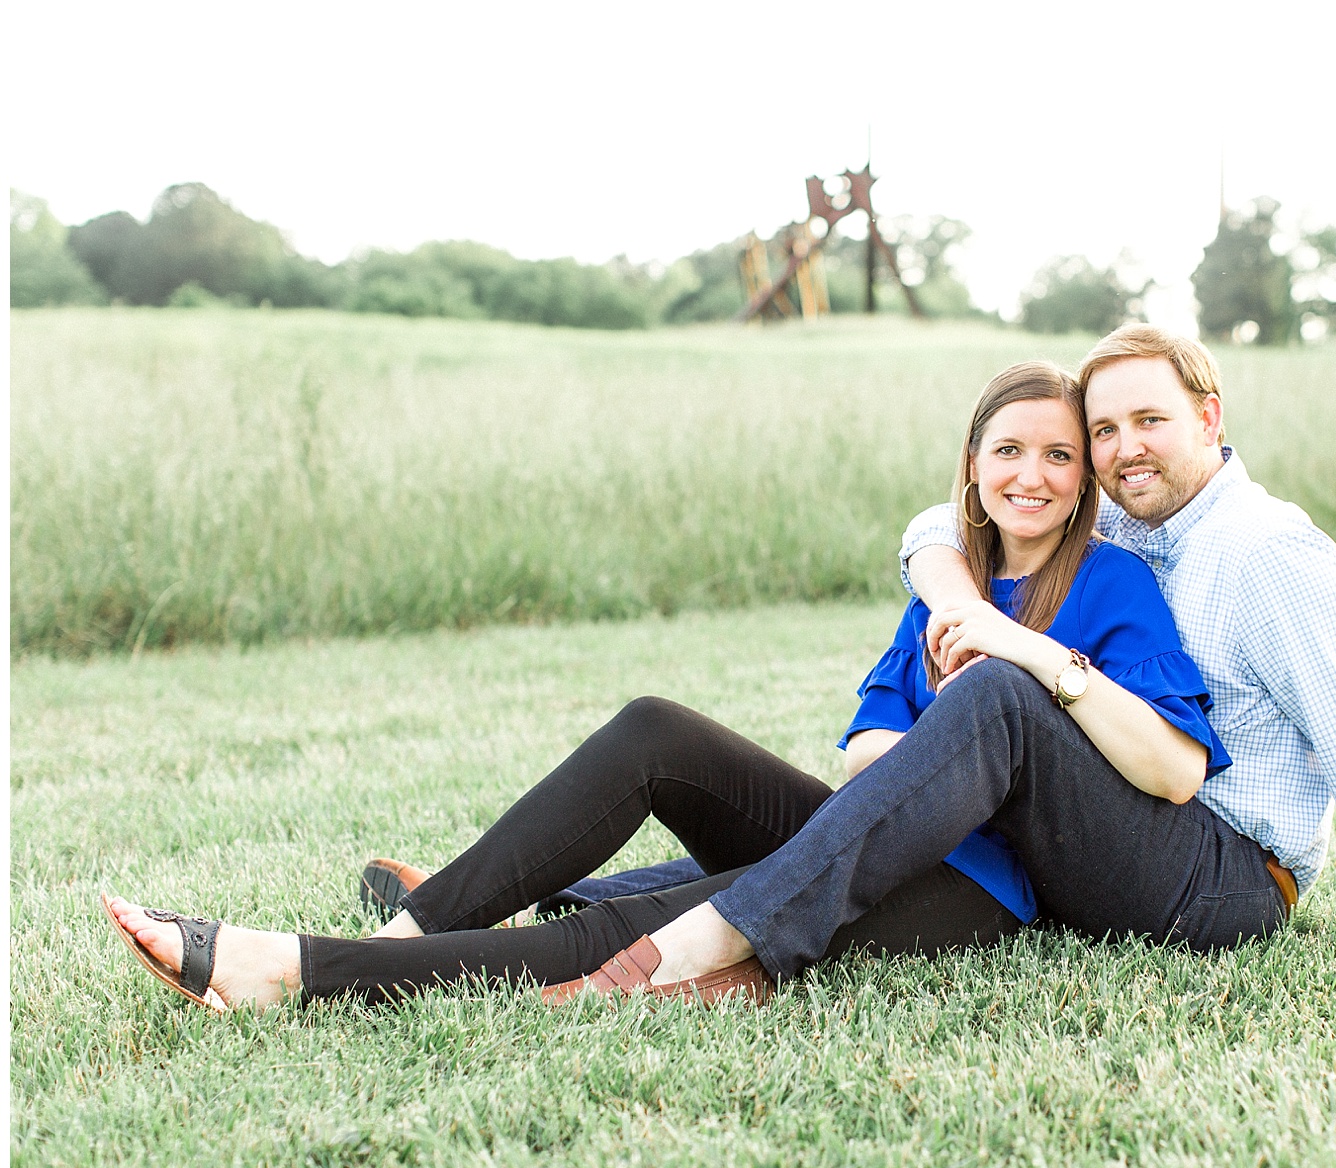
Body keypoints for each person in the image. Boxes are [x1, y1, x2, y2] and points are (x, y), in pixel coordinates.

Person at [104, 360, 1236, 1011]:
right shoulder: (950, 582)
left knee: (677, 913)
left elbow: (1159, 762)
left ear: (1084, 480)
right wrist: (942, 716)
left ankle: (297, 972)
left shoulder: (1115, 587)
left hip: (980, 891)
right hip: (883, 825)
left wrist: (1017, 681)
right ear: (973, 472)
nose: (1031, 473)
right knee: (658, 729)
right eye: (1009, 451)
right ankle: (420, 920)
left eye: (1058, 455)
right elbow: (866, 758)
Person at [512, 323, 1336, 992]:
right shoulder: (1139, 522)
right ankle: (564, 903)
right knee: (904, 807)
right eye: (1105, 432)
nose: (1124, 449)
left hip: (1223, 872)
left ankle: (720, 942)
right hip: (1105, 823)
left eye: (1150, 421)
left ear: (1210, 417)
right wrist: (960, 599)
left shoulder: (1268, 554)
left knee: (1003, 699)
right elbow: (946, 516)